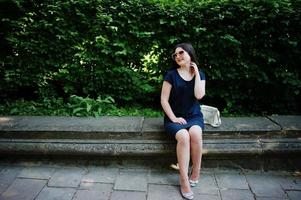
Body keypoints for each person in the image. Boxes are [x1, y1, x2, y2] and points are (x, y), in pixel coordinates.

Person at [160, 43, 205, 200]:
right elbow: (164, 100)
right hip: (174, 117)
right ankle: (183, 179)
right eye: (175, 55)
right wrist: (173, 118)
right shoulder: (171, 75)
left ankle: (196, 172)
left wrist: (197, 72)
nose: (177, 56)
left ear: (190, 54)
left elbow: (199, 95)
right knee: (184, 136)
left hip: (194, 116)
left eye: (181, 53)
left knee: (195, 133)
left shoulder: (201, 74)